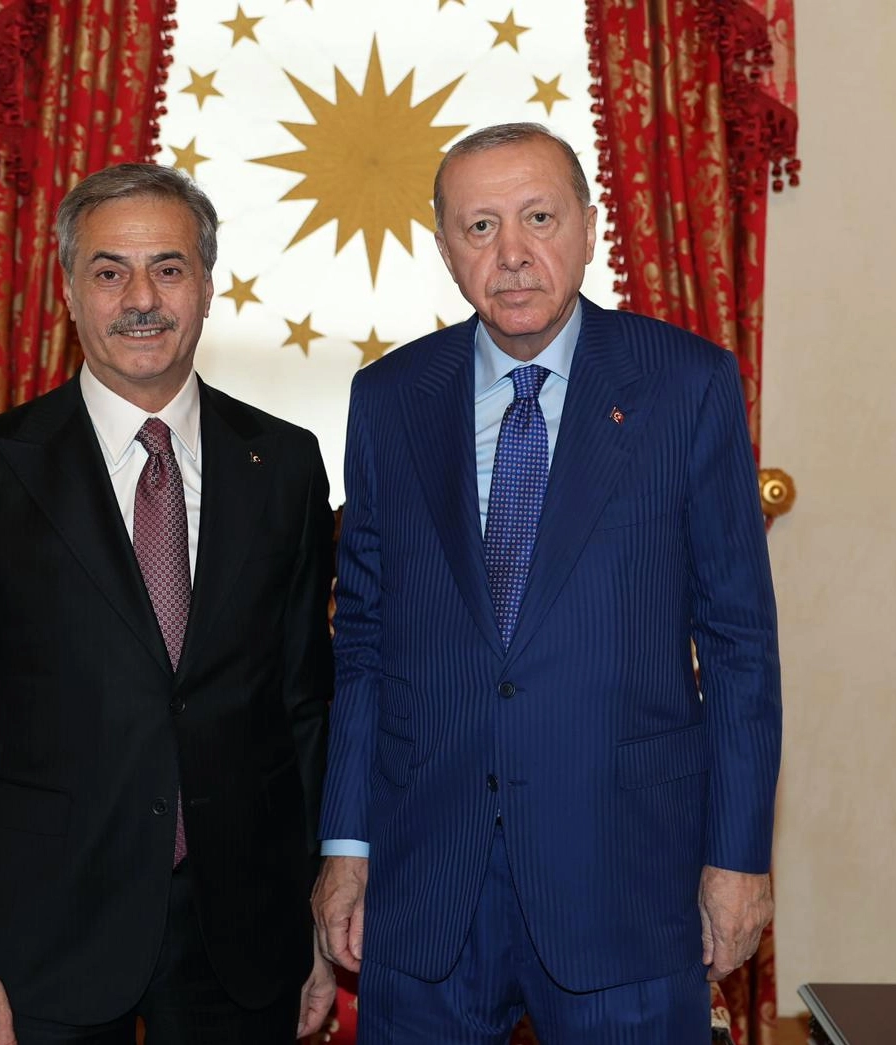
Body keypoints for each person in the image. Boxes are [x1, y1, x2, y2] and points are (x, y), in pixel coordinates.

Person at [312, 123, 781, 1043]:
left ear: (590, 227)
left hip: (624, 875)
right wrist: (346, 845)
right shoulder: (390, 397)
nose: (513, 254)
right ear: (445, 248)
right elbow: (363, 641)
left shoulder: (686, 384)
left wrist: (737, 855)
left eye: (538, 217)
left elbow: (739, 644)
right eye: (480, 227)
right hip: (427, 878)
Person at [0, 163, 336, 1045]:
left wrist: (317, 918)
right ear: (68, 290)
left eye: (168, 268)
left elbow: (306, 710)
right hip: (42, 945)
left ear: (206, 284)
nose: (141, 299)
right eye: (109, 271)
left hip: (245, 942)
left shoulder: (284, 463)